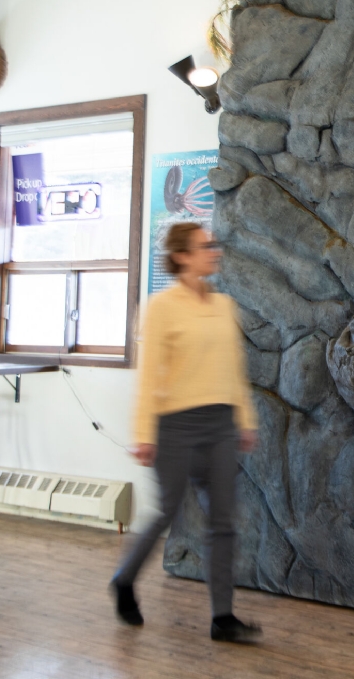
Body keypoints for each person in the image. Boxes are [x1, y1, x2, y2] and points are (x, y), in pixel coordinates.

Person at [111, 221, 261, 644]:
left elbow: (235, 372)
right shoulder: (161, 307)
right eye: (204, 246)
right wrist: (144, 434)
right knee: (166, 512)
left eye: (212, 245)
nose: (214, 251)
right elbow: (148, 376)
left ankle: (223, 618)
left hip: (219, 427)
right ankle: (124, 580)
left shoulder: (224, 306)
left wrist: (245, 421)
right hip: (174, 426)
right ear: (181, 256)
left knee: (222, 522)